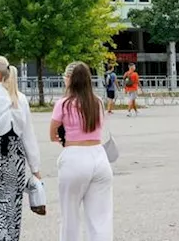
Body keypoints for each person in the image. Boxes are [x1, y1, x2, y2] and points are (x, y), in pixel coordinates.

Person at [0, 55, 43, 239]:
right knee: (13, 211)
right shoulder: (20, 97)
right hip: (16, 158)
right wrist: (35, 169)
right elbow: (28, 136)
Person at [51, 62, 114, 241]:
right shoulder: (98, 102)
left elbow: (52, 134)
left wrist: (64, 136)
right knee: (100, 218)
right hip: (99, 156)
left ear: (70, 79)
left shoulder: (63, 104)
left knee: (70, 215)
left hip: (74, 157)